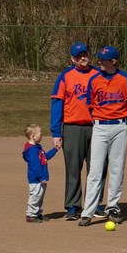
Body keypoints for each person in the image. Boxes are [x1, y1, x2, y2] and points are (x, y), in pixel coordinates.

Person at [78, 46, 127, 227]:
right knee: (94, 170)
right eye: (99, 59)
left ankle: (112, 207)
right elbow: (90, 106)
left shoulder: (126, 79)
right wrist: (100, 121)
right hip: (99, 127)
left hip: (120, 126)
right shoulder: (94, 79)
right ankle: (88, 211)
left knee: (116, 169)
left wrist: (123, 123)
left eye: (103, 59)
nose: (99, 62)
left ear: (113, 61)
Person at [50, 42, 100, 221]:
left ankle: (95, 203)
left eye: (84, 54)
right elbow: (57, 104)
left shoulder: (98, 74)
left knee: (97, 167)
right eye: (78, 56)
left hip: (97, 127)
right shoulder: (66, 76)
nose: (82, 58)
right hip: (72, 127)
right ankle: (73, 205)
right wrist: (56, 132)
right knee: (73, 168)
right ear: (72, 59)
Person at [23, 124, 58, 223]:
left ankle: (37, 213)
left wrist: (54, 149)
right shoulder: (32, 150)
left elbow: (45, 157)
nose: (41, 135)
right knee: (35, 196)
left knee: (39, 197)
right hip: (36, 178)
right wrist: (41, 177)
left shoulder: (37, 148)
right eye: (40, 133)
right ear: (32, 136)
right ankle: (31, 215)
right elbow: (35, 166)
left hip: (41, 178)